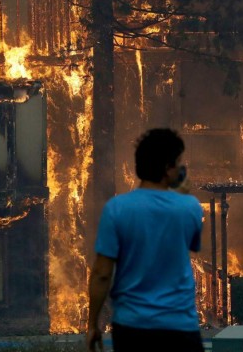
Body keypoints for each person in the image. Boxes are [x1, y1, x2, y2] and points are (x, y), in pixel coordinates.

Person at [87, 128, 205, 352]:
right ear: (167, 169)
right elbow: (191, 244)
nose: (182, 168)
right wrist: (181, 196)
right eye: (179, 162)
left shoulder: (116, 209)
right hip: (180, 327)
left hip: (132, 328)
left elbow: (102, 274)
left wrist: (93, 324)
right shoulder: (190, 207)